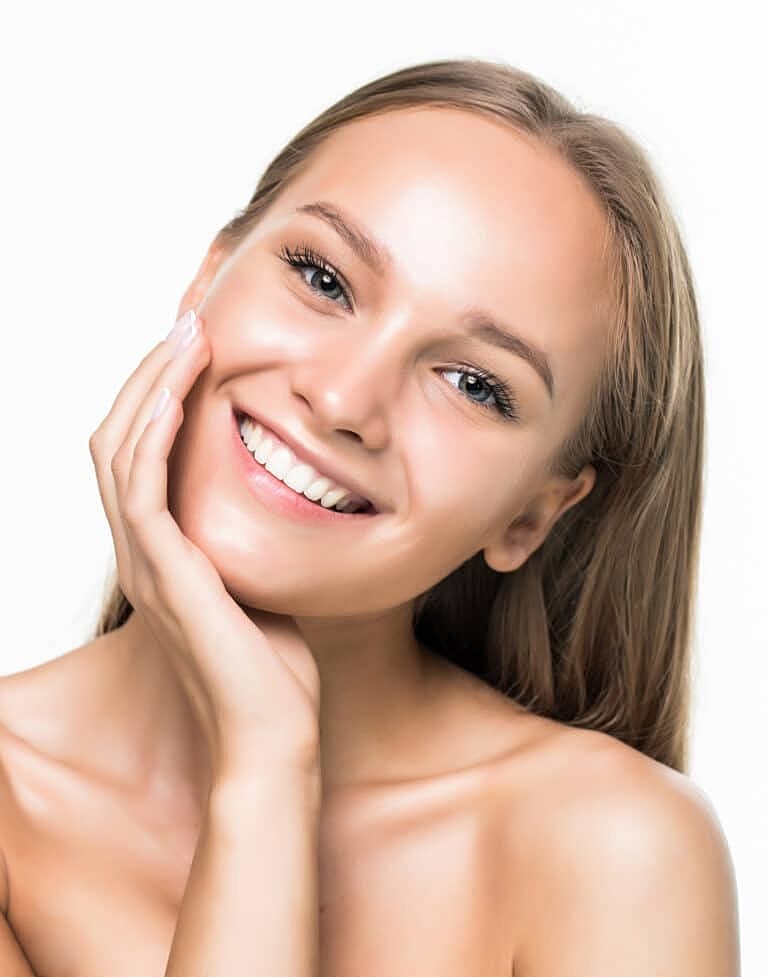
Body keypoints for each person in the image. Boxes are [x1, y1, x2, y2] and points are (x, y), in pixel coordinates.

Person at [0, 58, 739, 976]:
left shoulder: (615, 852)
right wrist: (265, 769)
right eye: (322, 277)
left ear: (531, 517)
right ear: (208, 280)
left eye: (475, 384)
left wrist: (267, 766)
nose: (346, 396)